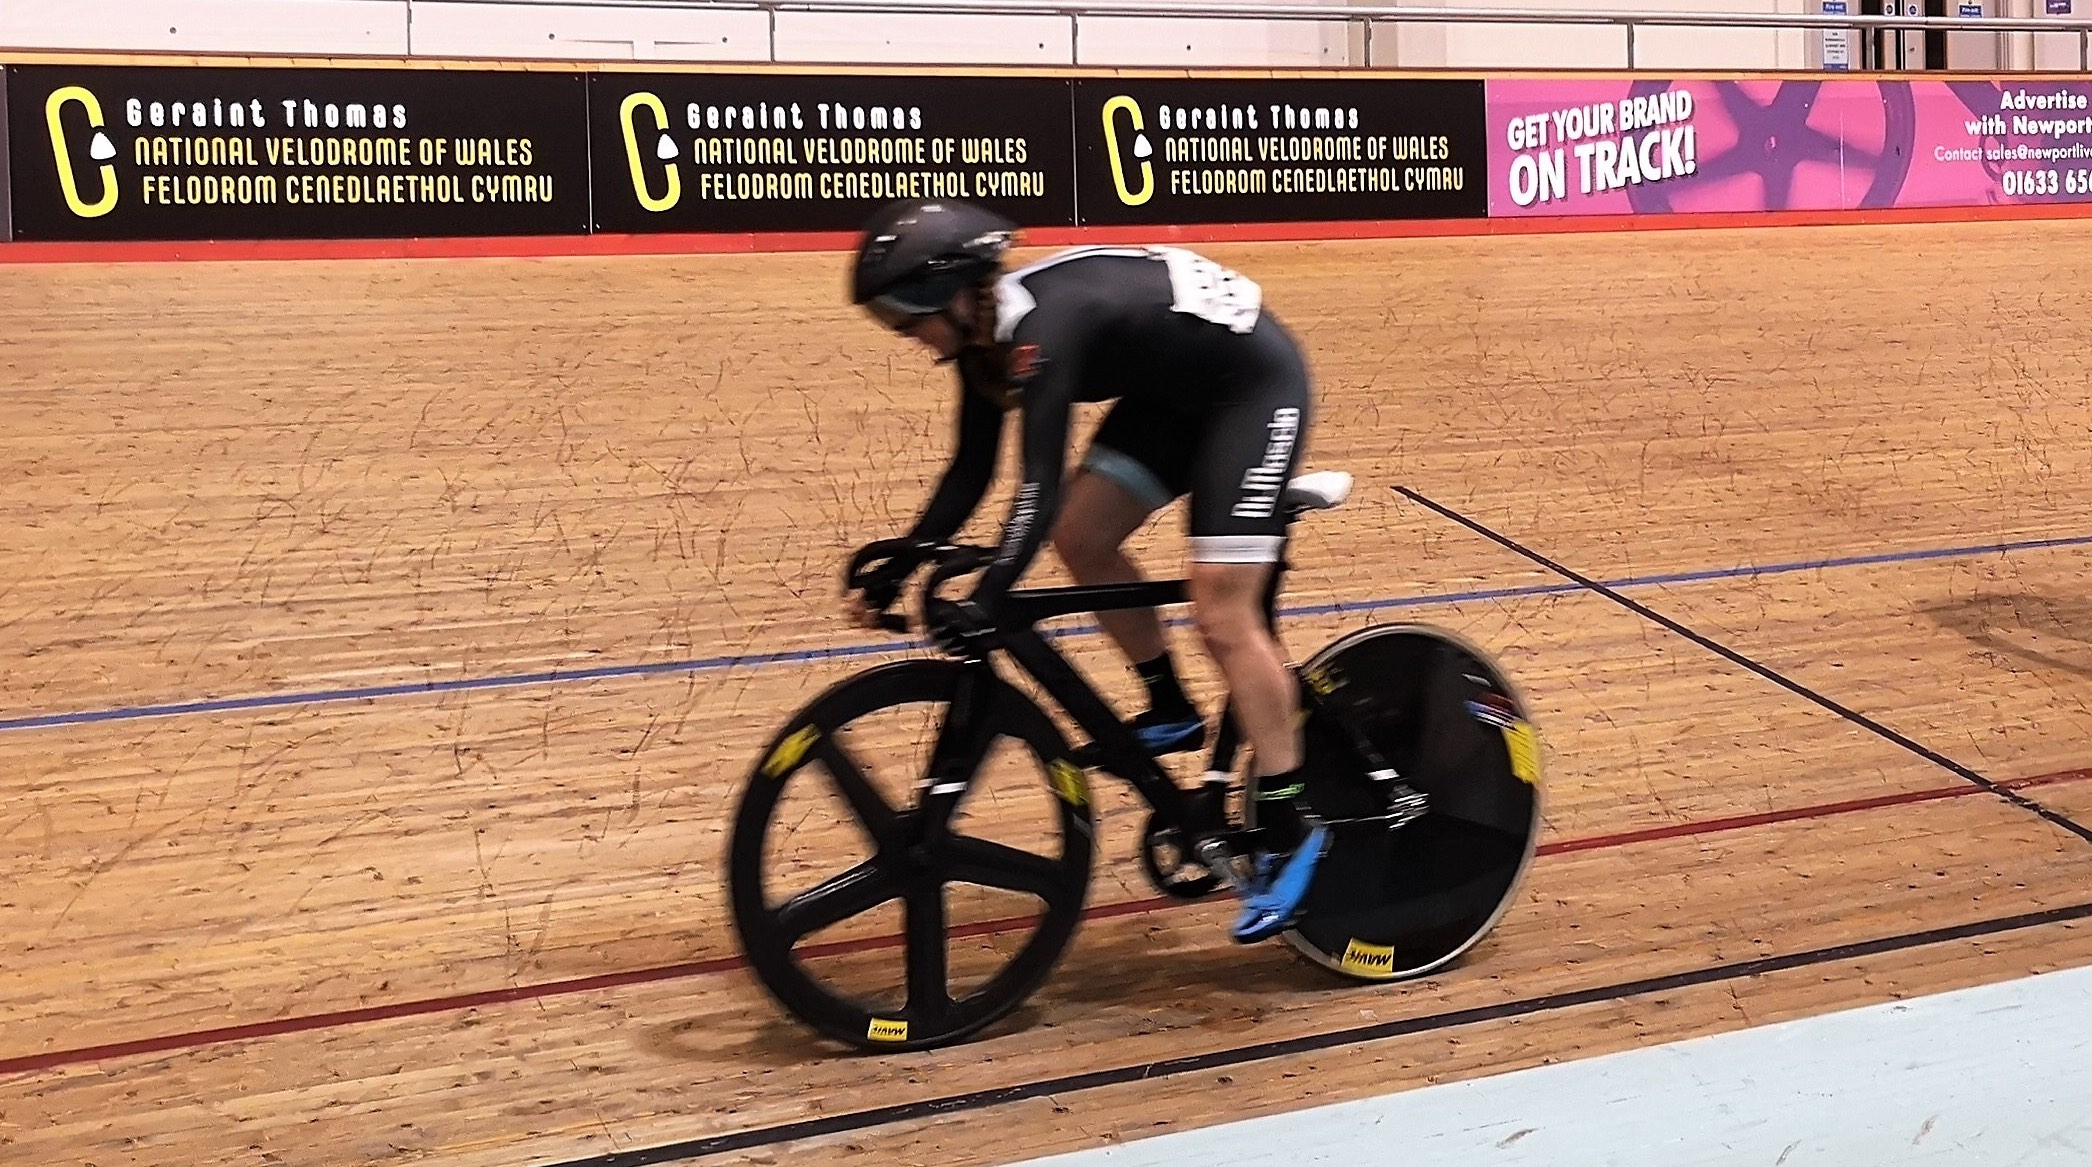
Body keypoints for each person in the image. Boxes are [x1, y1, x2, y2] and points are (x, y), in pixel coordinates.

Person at [843, 198, 1326, 943]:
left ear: (953, 291)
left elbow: (1034, 486)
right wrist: (907, 557)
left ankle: (1290, 824)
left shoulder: (1043, 331)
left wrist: (992, 591)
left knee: (1223, 612)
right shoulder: (984, 342)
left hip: (1252, 390)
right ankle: (1170, 704)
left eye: (906, 318)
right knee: (1082, 533)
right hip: (1174, 396)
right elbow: (971, 471)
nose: (905, 335)